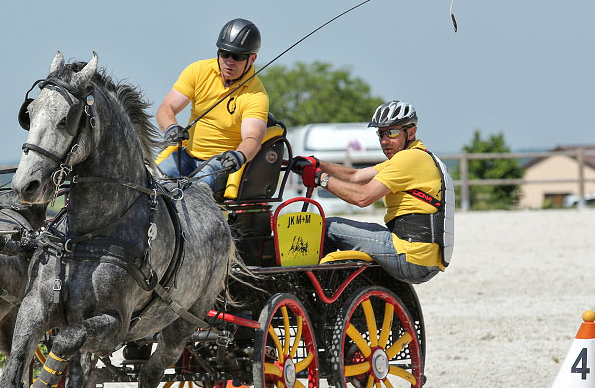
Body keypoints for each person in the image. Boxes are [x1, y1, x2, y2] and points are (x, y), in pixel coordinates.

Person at [291, 100, 453, 284]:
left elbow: (363, 197)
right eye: (381, 134)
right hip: (421, 257)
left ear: (411, 132)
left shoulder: (409, 159)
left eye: (392, 133)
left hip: (409, 254)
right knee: (351, 228)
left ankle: (311, 287)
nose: (385, 141)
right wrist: (317, 163)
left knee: (326, 227)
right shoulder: (417, 156)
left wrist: (320, 178)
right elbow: (355, 176)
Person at [155, 18, 269, 196]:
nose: (229, 61)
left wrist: (238, 156)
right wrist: (171, 127)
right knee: (152, 182)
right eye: (224, 54)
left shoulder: (256, 95)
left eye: (238, 57)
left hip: (219, 163)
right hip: (187, 156)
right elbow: (166, 108)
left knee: (194, 193)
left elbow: (253, 138)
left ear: (252, 58)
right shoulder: (198, 71)